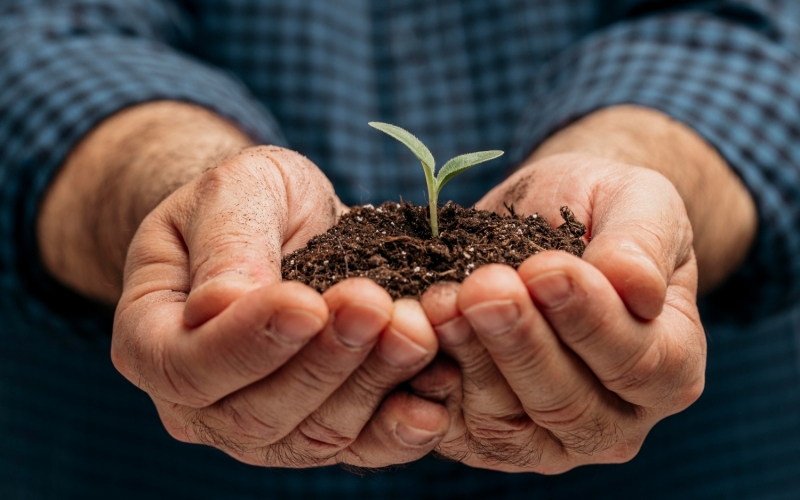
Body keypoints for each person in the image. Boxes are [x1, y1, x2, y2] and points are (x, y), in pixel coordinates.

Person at [1, 0, 799, 498]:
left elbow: (764, 25)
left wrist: (648, 169)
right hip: (126, 465)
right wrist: (173, 187)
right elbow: (34, 29)